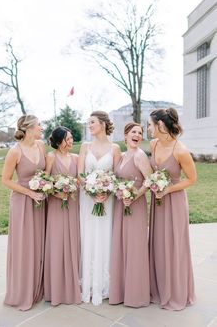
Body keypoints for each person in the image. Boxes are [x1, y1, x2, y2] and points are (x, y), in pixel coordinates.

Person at [148, 107, 196, 310]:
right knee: (158, 242)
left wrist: (168, 189)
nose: (147, 128)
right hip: (157, 201)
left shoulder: (181, 150)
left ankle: (176, 291)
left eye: (150, 124)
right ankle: (159, 288)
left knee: (174, 244)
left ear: (160, 125)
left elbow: (192, 179)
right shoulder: (153, 144)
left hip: (174, 201)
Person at [2, 115, 46, 311]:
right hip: (22, 202)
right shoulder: (15, 151)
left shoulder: (41, 146)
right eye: (39, 125)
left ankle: (38, 286)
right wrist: (30, 193)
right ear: (29, 128)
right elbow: (6, 180)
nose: (41, 128)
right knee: (24, 245)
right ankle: (22, 291)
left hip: (41, 201)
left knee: (39, 243)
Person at [78, 110, 121, 306]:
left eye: (92, 122)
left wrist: (106, 192)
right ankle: (87, 284)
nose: (89, 125)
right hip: (88, 200)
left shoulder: (115, 148)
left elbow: (117, 176)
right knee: (88, 236)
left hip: (106, 200)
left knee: (105, 236)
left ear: (103, 124)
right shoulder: (85, 147)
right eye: (88, 122)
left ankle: (104, 285)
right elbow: (79, 174)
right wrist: (91, 191)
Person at [109, 122, 151, 308]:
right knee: (122, 246)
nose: (137, 135)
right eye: (134, 132)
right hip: (121, 205)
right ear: (125, 135)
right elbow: (117, 178)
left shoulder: (140, 156)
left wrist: (134, 196)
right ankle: (121, 291)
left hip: (135, 206)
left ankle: (136, 294)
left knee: (134, 247)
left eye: (140, 132)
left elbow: (150, 181)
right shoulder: (123, 155)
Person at [44, 126, 81, 305]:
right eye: (68, 139)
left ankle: (73, 284)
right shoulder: (51, 157)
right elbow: (44, 181)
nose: (71, 142)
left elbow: (81, 180)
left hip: (73, 204)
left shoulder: (76, 157)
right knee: (57, 242)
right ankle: (56, 289)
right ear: (59, 141)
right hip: (56, 204)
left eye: (72, 138)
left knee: (73, 241)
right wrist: (56, 193)